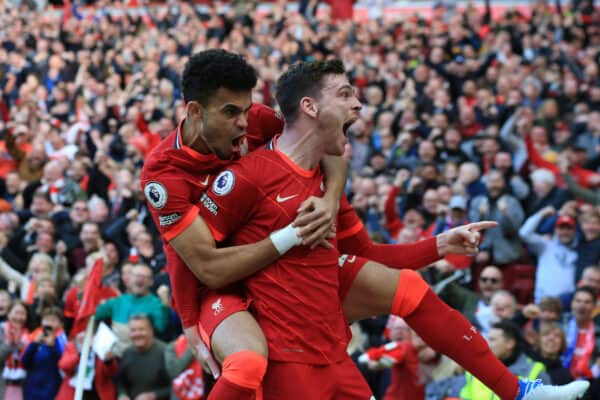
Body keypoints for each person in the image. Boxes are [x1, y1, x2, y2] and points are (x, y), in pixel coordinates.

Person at [193, 59, 589, 399]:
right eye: (345, 94)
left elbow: (367, 255)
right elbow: (197, 259)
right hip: (287, 364)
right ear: (310, 106)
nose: (359, 104)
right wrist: (199, 323)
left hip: (334, 356)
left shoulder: (328, 183)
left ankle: (518, 391)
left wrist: (439, 244)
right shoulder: (247, 178)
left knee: (410, 288)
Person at [426, 321, 551, 400]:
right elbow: (437, 390)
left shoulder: (535, 372)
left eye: (492, 340)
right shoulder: (476, 368)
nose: (487, 343)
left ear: (510, 343)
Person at [117, 314, 171, 400]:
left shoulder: (166, 352)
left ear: (151, 330)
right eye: (133, 330)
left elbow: (178, 386)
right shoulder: (127, 353)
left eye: (141, 329)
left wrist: (154, 395)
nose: (137, 334)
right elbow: (121, 383)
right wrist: (122, 395)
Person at [21, 306, 67, 400]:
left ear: (60, 324)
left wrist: (53, 347)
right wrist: (34, 344)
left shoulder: (62, 340)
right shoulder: (36, 337)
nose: (49, 323)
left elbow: (63, 364)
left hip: (51, 389)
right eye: (46, 320)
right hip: (31, 389)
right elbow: (25, 362)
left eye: (53, 320)